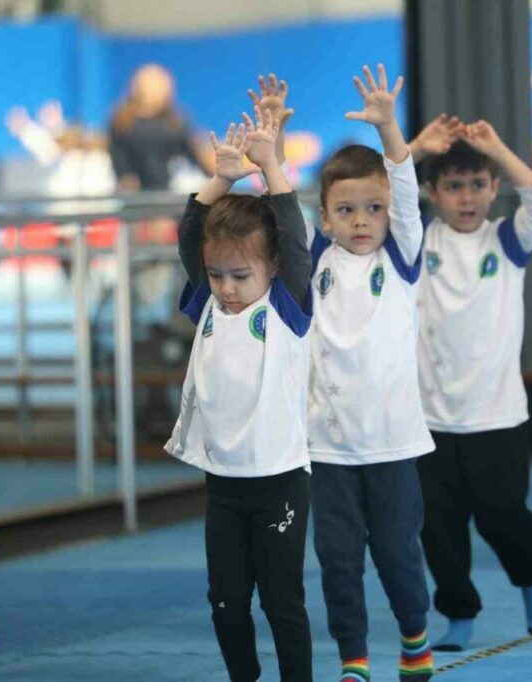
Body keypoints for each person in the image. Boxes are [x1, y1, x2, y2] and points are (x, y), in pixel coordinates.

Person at [164, 106, 314, 682]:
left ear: (272, 268)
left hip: (279, 481)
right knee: (226, 604)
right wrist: (221, 179)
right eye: (217, 274)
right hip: (223, 485)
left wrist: (272, 167)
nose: (226, 288)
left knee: (282, 601)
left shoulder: (285, 308)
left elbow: (295, 239)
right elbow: (189, 236)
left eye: (240, 276)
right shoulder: (207, 303)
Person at [303, 64, 434, 682]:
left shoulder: (402, 259)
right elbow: (280, 209)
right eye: (347, 210)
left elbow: (404, 189)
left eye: (374, 208)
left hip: (392, 444)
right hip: (327, 446)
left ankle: (414, 635)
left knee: (396, 554)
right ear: (325, 217)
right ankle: (352, 658)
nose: (362, 220)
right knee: (337, 559)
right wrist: (271, 156)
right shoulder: (314, 261)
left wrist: (389, 130)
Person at [410, 115, 532, 651]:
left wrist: (496, 147)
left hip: (497, 417)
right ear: (431, 193)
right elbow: (381, 194)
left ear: (495, 187)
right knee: (439, 529)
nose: (467, 197)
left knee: (503, 519)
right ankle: (459, 614)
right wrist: (414, 147)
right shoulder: (414, 243)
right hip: (429, 421)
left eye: (477, 184)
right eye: (453, 186)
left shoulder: (507, 241)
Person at [108, 63, 212, 192]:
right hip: (135, 194)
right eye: (150, 83)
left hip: (170, 192)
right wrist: (125, 178)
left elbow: (193, 153)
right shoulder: (122, 122)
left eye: (161, 84)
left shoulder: (176, 122)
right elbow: (118, 156)